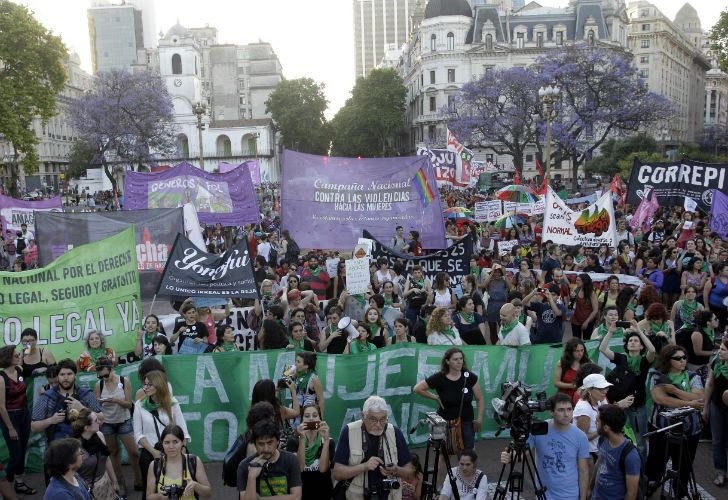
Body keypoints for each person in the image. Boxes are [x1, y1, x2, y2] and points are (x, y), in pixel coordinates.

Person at [500, 393, 590, 500]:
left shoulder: (580, 436)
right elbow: (523, 454)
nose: (566, 414)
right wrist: (511, 456)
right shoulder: (538, 429)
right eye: (561, 410)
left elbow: (583, 470)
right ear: (551, 411)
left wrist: (583, 498)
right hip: (544, 494)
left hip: (570, 495)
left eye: (569, 409)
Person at [645, 345, 704, 498]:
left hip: (690, 431)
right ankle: (649, 489)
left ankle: (679, 493)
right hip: (662, 428)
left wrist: (675, 391)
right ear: (667, 360)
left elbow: (700, 398)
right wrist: (690, 402)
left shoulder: (693, 376)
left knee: (684, 467)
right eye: (678, 358)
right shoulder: (657, 375)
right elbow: (660, 398)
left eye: (684, 357)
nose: (682, 361)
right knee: (656, 464)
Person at [333, 395, 414, 500]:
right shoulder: (349, 431)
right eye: (373, 419)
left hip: (389, 495)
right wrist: (364, 467)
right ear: (363, 416)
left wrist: (396, 469)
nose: (379, 424)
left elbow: (410, 471)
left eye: (383, 419)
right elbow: (337, 473)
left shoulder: (394, 432)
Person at [598, 325, 656, 457]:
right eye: (630, 341)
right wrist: (610, 332)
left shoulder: (644, 361)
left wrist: (639, 331)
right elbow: (602, 349)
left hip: (637, 405)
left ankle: (641, 471)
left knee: (640, 440)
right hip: (620, 404)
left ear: (641, 346)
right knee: (616, 434)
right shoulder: (622, 358)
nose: (632, 342)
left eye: (636, 341)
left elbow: (652, 350)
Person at [133, 370, 190, 500]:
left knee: (179, 487)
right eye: (144, 384)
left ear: (159, 385)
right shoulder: (139, 404)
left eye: (149, 385)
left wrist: (182, 450)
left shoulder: (172, 402)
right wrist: (153, 452)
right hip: (150, 451)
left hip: (174, 449)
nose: (145, 388)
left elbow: (183, 430)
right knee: (151, 491)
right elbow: (138, 434)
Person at [413, 348, 484, 450]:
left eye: (461, 358)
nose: (459, 362)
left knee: (467, 453)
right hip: (445, 422)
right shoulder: (439, 377)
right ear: (447, 361)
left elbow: (480, 398)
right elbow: (417, 388)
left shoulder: (470, 377)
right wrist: (435, 397)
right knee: (444, 454)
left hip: (466, 421)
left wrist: (479, 419)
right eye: (455, 359)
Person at [94, 357, 141, 495]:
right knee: (113, 454)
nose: (104, 378)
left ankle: (139, 480)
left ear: (112, 369)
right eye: (100, 376)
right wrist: (101, 402)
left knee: (134, 453)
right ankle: (120, 484)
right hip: (107, 423)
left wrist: (114, 400)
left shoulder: (123, 381)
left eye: (106, 375)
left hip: (124, 421)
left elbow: (129, 404)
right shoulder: (99, 385)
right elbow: (96, 406)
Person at [31, 358, 102, 443]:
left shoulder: (86, 394)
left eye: (69, 374)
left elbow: (102, 419)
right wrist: (51, 420)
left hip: (85, 447)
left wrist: (83, 408)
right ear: (58, 376)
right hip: (58, 447)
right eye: (62, 374)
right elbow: (33, 427)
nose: (66, 378)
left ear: (75, 375)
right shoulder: (47, 397)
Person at [238, 419, 303, 499]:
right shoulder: (244, 466)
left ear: (278, 441)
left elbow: (296, 497)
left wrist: (261, 499)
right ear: (255, 444)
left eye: (270, 443)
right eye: (261, 444)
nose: (266, 449)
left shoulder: (290, 460)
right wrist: (251, 477)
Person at [574, 374, 634, 460]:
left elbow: (608, 414)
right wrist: (602, 430)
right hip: (589, 454)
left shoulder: (600, 400)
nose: (605, 391)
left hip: (600, 450)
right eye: (600, 389)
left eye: (606, 388)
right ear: (589, 390)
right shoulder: (584, 408)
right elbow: (582, 439)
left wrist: (619, 405)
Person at [0, 346, 34, 495]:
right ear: (8, 358)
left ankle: (19, 484)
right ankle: (5, 485)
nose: (19, 356)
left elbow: (26, 351)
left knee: (23, 448)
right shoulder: (1, 378)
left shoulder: (19, 369)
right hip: (10, 417)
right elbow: (1, 407)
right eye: (16, 355)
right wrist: (10, 428)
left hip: (24, 415)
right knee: (16, 454)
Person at [146, 424, 212, 500]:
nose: (171, 447)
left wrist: (196, 485)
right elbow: (149, 496)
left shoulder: (193, 461)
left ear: (183, 442)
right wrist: (160, 497)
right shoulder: (155, 465)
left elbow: (208, 493)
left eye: (175, 442)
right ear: (162, 444)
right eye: (167, 442)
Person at [590, 405, 641, 500]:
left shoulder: (630, 456)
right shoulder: (603, 439)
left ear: (606, 428)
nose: (595, 423)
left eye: (597, 421)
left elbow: (631, 493)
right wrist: (590, 488)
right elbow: (599, 463)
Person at [70, 408, 120, 500]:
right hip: (89, 490)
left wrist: (115, 481)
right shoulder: (76, 448)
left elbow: (107, 459)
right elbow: (71, 473)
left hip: (106, 483)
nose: (100, 422)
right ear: (87, 427)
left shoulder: (100, 435)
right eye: (96, 420)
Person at [702, 337, 728, 486]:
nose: (720, 352)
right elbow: (709, 383)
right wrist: (705, 406)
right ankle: (720, 472)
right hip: (717, 406)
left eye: (723, 350)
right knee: (717, 441)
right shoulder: (717, 362)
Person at [294, 404, 335, 500]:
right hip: (301, 494)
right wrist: (302, 439)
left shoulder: (329, 442)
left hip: (323, 493)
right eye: (307, 416)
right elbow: (300, 467)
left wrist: (326, 440)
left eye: (315, 415)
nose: (311, 419)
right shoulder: (294, 442)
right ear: (302, 420)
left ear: (320, 419)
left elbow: (323, 469)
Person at [251, 379, 300, 451]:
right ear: (271, 394)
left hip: (261, 451)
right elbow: (296, 412)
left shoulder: (253, 413)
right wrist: (293, 390)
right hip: (280, 451)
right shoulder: (279, 410)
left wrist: (275, 392)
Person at [482, 264, 512, 344]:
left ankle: (503, 343)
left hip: (502, 305)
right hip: (492, 306)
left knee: (504, 327)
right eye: (495, 272)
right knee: (492, 329)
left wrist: (505, 274)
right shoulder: (490, 282)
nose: (497, 274)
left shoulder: (503, 281)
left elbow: (510, 287)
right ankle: (494, 346)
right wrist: (491, 273)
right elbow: (484, 285)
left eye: (499, 272)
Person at [294, 352, 324, 418]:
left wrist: (321, 418)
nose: (295, 364)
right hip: (297, 412)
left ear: (306, 366)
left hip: (309, 415)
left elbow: (321, 399)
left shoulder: (314, 379)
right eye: (296, 361)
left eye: (298, 362)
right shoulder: (297, 374)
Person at [570, 273, 599, 340]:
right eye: (576, 280)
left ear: (584, 281)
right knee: (576, 341)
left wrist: (586, 322)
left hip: (588, 321)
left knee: (587, 341)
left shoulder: (592, 293)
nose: (576, 282)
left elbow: (595, 310)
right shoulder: (576, 289)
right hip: (576, 320)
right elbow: (570, 306)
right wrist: (571, 298)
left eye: (578, 280)